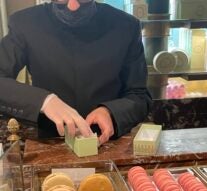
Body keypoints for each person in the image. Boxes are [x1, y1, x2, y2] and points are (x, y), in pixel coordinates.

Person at [0, 0, 151, 145]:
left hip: (108, 141)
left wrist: (111, 112)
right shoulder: (25, 23)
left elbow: (139, 95)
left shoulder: (126, 26)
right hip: (50, 141)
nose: (73, 6)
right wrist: (44, 101)